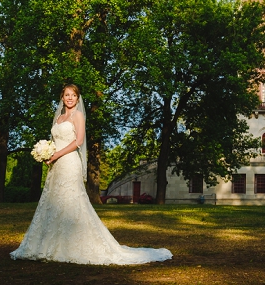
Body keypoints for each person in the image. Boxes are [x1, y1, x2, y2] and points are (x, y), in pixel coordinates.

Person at [10, 84, 172, 265]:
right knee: (54, 202)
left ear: (78, 98)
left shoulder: (77, 115)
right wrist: (47, 152)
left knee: (71, 201)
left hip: (70, 162)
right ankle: (50, 244)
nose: (70, 98)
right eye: (66, 95)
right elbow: (56, 140)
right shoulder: (59, 117)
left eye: (73, 95)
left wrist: (56, 154)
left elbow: (78, 141)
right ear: (62, 97)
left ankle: (74, 245)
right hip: (56, 165)